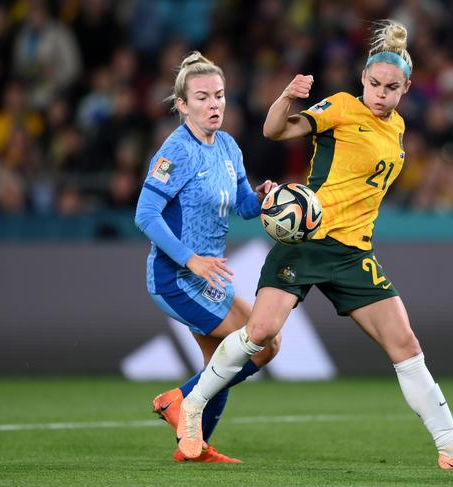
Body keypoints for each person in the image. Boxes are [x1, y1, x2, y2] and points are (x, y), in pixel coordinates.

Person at [176, 20, 453, 471]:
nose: (380, 94)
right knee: (260, 333)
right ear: (363, 82)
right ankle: (192, 407)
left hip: (354, 253)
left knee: (405, 344)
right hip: (307, 239)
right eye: (374, 84)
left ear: (406, 88)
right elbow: (276, 130)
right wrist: (288, 97)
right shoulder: (342, 107)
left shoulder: (398, 129)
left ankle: (451, 449)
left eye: (391, 87)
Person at [134, 51, 280, 463]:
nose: (214, 104)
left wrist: (263, 197)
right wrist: (190, 259)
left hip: (208, 278)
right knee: (264, 343)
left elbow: (244, 206)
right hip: (176, 278)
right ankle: (177, 400)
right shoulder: (175, 150)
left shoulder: (228, 146)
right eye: (202, 97)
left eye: (219, 95)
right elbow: (145, 213)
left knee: (222, 363)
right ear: (182, 105)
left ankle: (193, 446)